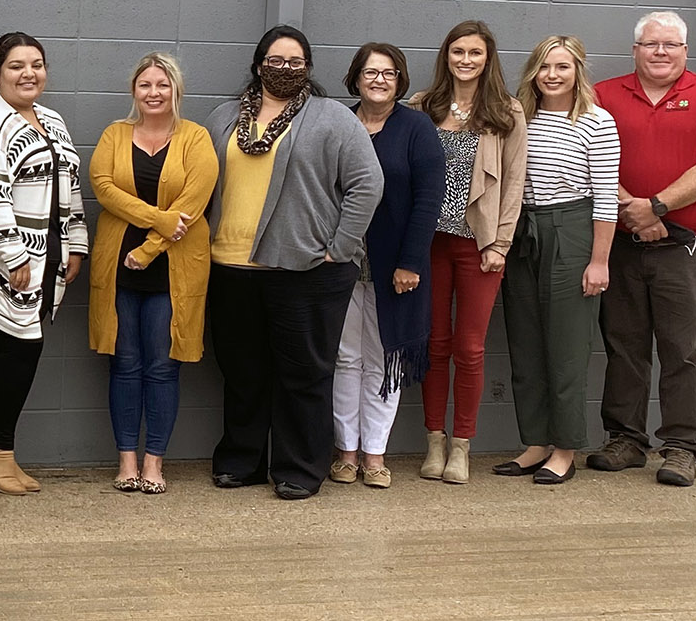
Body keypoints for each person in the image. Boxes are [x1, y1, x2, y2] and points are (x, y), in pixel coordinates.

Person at [203, 25, 383, 500]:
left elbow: (368, 183)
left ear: (308, 67)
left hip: (307, 271)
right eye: (276, 60)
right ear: (259, 62)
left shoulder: (332, 119)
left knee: (303, 375)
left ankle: (300, 468)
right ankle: (241, 462)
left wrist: (340, 247)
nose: (285, 69)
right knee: (242, 372)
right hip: (230, 267)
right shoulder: (223, 118)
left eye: (295, 61)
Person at [589, 10, 696, 488]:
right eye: (651, 44)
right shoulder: (603, 95)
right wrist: (632, 210)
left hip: (683, 248)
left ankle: (681, 448)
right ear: (634, 50)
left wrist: (656, 207)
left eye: (671, 45)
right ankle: (626, 440)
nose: (661, 52)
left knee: (683, 351)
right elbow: (588, 157)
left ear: (684, 50)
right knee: (624, 348)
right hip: (619, 244)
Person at [0, 34, 88, 494]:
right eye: (16, 66)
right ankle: (0, 452)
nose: (29, 73)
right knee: (19, 345)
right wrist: (12, 253)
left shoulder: (51, 119)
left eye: (37, 64)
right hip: (2, 254)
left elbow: (71, 184)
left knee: (13, 346)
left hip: (47, 254)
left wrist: (78, 244)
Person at [86, 52, 216, 496]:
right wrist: (157, 222)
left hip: (171, 272)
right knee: (124, 364)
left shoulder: (196, 139)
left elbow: (193, 204)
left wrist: (149, 248)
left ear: (176, 90)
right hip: (119, 269)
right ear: (134, 91)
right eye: (145, 85)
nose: (154, 93)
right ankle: (126, 460)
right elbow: (103, 187)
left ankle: (155, 463)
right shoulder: (115, 134)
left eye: (163, 85)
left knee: (162, 367)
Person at [497, 34, 620, 485]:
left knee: (567, 348)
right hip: (523, 234)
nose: (552, 75)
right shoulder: (518, 117)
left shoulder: (596, 122)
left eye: (562, 67)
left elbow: (607, 198)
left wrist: (599, 261)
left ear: (578, 72)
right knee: (525, 342)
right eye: (545, 67)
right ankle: (535, 443)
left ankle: (565, 449)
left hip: (571, 232)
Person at [413, 21, 526, 484]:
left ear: (487, 58)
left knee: (471, 348)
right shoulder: (423, 106)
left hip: (477, 245)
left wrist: (500, 242)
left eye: (475, 52)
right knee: (434, 345)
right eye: (458, 51)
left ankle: (462, 446)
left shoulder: (505, 111)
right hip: (429, 243)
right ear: (447, 56)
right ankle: (434, 442)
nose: (466, 59)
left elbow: (515, 180)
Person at [329, 44, 443, 487]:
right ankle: (345, 453)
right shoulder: (338, 122)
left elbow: (429, 199)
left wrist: (411, 261)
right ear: (356, 77)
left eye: (389, 73)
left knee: (383, 360)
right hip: (338, 262)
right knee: (343, 359)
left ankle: (375, 456)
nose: (379, 80)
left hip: (394, 267)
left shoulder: (416, 128)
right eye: (371, 72)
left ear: (400, 80)